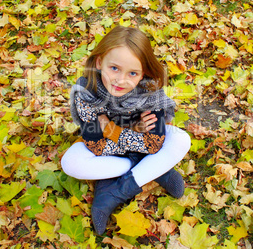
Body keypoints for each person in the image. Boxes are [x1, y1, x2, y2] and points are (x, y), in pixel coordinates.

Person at [61, 25, 191, 235]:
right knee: (70, 162)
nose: (121, 80)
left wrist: (111, 129)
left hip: (117, 145)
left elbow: (154, 144)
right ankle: (154, 170)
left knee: (181, 140)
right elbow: (96, 146)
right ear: (99, 62)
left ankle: (115, 191)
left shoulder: (149, 94)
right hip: (109, 150)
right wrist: (136, 133)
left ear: (143, 74)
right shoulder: (86, 94)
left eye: (132, 73)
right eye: (114, 68)